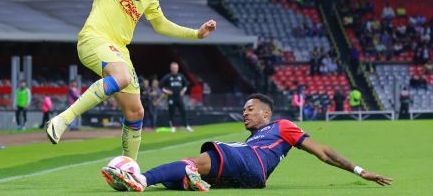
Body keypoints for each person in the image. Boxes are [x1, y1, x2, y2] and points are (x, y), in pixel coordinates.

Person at [12, 0, 216, 160]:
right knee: (122, 77)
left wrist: (197, 34)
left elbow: (161, 25)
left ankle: (128, 167)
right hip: (94, 38)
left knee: (136, 111)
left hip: (119, 50)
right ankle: (62, 120)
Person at [102, 93, 392, 192]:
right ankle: (188, 182)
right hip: (251, 174)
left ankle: (139, 178)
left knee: (207, 155)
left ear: (266, 112)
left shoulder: (282, 126)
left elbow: (323, 152)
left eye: (249, 109)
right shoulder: (255, 138)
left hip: (252, 163)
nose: (245, 112)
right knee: (182, 177)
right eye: (243, 109)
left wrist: (359, 170)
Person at [160, 62, 193, 132]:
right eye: (173, 68)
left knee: (183, 111)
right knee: (171, 112)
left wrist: (183, 90)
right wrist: (166, 91)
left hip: (179, 97)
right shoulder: (168, 77)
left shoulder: (181, 76)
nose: (175, 69)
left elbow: (186, 84)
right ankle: (172, 127)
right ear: (171, 68)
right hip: (171, 97)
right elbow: (160, 85)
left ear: (178, 68)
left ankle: (186, 126)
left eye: (176, 68)